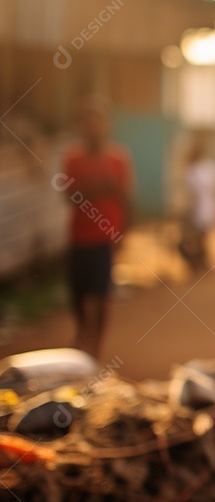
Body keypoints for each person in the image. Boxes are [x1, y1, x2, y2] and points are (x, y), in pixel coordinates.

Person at [60, 97, 133, 359]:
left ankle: (96, 347)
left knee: (101, 295)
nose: (93, 129)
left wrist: (124, 233)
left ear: (106, 126)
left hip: (105, 236)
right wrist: (98, 188)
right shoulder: (73, 159)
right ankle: (82, 334)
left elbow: (125, 197)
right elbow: (68, 195)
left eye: (97, 123)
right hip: (78, 236)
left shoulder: (118, 159)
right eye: (87, 123)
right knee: (77, 293)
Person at [180, 137, 215, 272]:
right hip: (212, 207)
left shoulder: (192, 171)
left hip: (199, 209)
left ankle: (197, 264)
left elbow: (193, 196)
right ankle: (202, 263)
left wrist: (188, 212)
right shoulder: (211, 167)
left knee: (194, 238)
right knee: (202, 237)